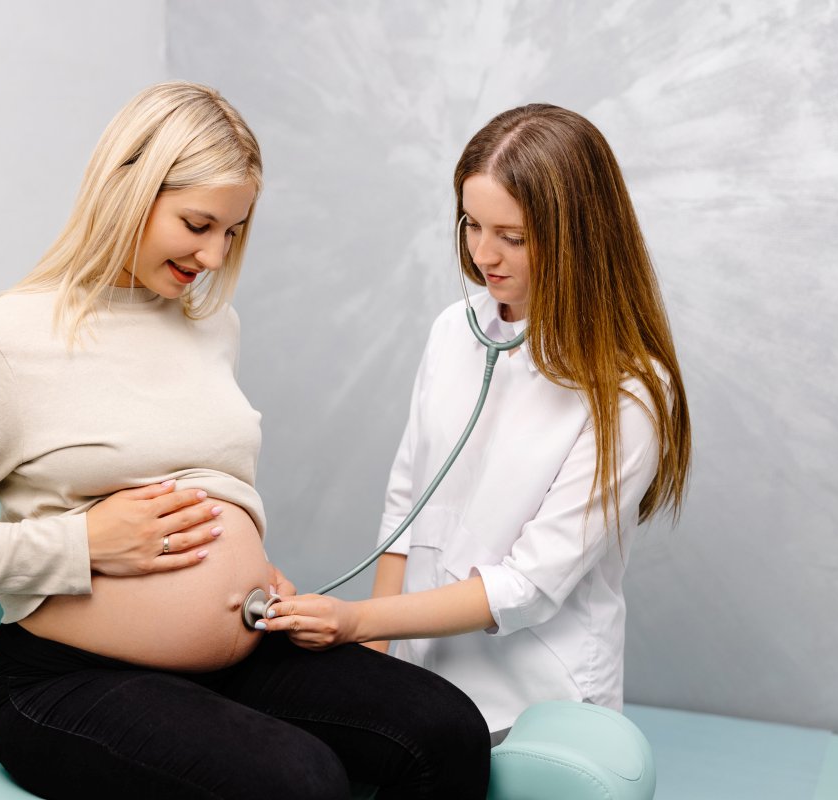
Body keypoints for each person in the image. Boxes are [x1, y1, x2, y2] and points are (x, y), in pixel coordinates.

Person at [0, 81, 490, 799]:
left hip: (243, 654)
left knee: (445, 730)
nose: (213, 256)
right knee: (298, 782)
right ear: (127, 188)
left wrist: (252, 571)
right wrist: (85, 544)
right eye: (197, 223)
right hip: (71, 679)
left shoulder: (211, 325)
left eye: (232, 232)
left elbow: (208, 478)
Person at [260, 103, 692, 743]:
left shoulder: (629, 392)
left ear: (579, 235)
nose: (484, 255)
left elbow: (528, 584)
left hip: (535, 703)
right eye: (471, 224)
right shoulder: (452, 331)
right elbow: (406, 503)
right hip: (425, 680)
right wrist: (374, 661)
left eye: (512, 236)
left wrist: (355, 621)